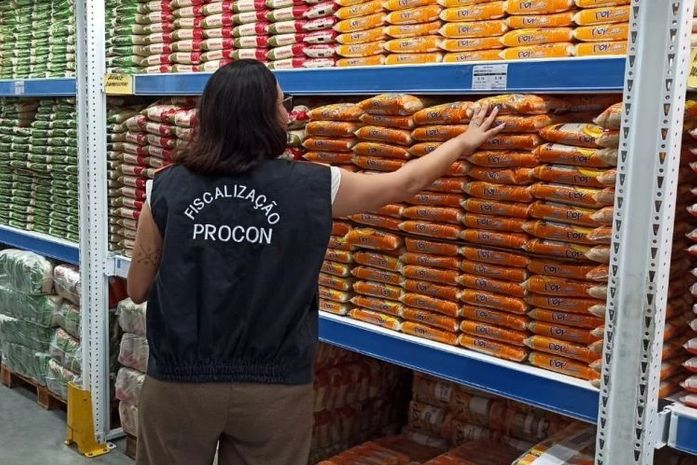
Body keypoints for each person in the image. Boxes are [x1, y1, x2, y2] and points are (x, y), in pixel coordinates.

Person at [127, 59, 504, 465]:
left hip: (180, 383)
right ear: (265, 117)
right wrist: (463, 142)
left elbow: (137, 288)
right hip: (274, 390)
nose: (288, 113)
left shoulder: (166, 187)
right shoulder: (314, 185)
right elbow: (404, 182)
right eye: (282, 103)